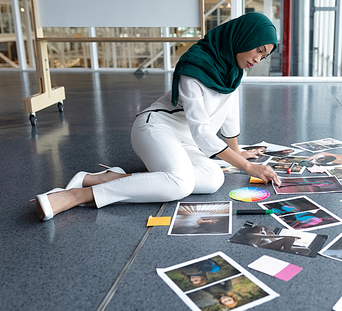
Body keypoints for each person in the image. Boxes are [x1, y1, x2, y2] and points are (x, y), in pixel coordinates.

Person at [34, 13, 281, 221]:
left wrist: (237, 154)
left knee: (213, 178)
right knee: (180, 184)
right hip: (155, 129)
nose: (258, 60)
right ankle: (77, 195)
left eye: (264, 56)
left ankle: (113, 178)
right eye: (258, 50)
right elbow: (202, 131)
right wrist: (248, 166)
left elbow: (229, 115)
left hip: (187, 142)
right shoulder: (194, 67)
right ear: (243, 37)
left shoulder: (233, 71)